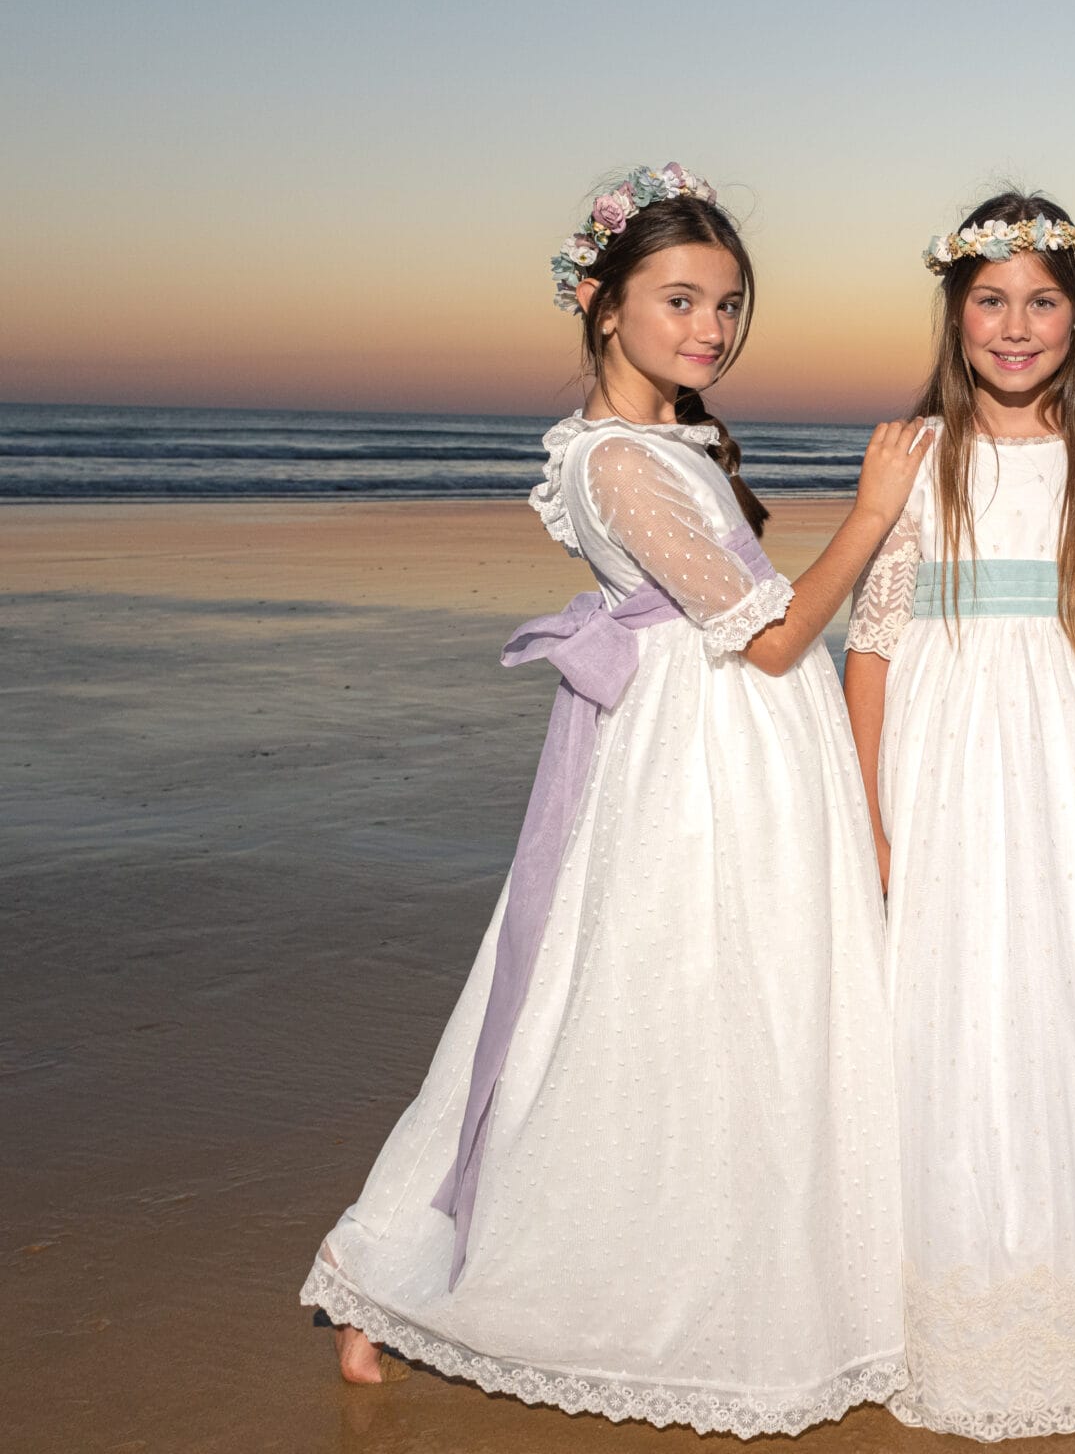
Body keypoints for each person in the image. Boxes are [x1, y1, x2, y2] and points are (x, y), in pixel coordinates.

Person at [301, 163, 931, 1436]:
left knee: (712, 1012)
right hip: (699, 764)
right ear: (601, 304)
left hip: (739, 746)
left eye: (728, 304)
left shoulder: (668, 446)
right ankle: (423, 1279)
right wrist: (871, 514)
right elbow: (768, 638)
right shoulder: (615, 461)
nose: (711, 328)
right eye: (679, 300)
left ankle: (730, 1262)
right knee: (651, 1010)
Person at [842, 191, 1075, 1439]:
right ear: (954, 312)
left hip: (1071, 771)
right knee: (945, 1007)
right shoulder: (913, 456)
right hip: (938, 769)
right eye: (990, 300)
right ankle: (942, 1295)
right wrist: (868, 816)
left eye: (1041, 301)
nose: (1015, 325)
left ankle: (1069, 1297)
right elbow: (870, 650)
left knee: (1071, 1008)